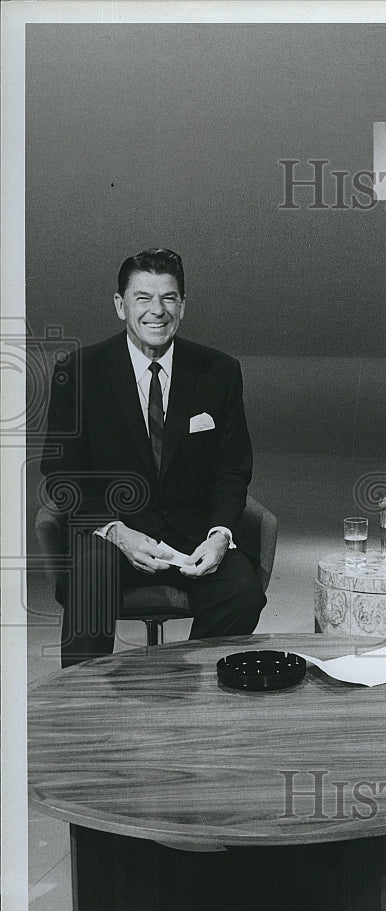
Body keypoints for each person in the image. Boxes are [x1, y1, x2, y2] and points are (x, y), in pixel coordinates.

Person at [41, 248, 266, 667]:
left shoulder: (218, 371)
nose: (156, 311)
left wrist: (219, 535)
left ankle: (190, 696)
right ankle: (81, 712)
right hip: (112, 532)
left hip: (191, 536)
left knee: (242, 589)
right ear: (120, 305)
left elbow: (232, 467)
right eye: (143, 298)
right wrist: (116, 532)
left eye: (169, 298)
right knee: (90, 577)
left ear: (182, 305)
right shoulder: (80, 370)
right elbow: (60, 472)